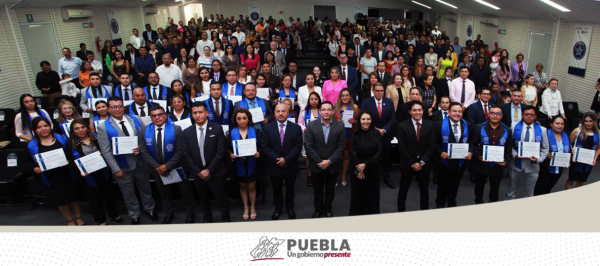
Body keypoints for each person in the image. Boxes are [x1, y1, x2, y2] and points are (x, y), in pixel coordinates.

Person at [96, 96, 157, 224]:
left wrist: (142, 147)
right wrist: (115, 169)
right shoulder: (103, 127)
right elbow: (106, 151)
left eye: (119, 106)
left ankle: (150, 209)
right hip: (121, 166)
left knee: (145, 188)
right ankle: (134, 214)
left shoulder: (135, 119)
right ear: (108, 109)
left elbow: (146, 137)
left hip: (140, 162)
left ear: (123, 107)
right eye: (113, 107)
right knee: (128, 193)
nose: (117, 109)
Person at [139, 106, 195, 224]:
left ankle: (190, 214)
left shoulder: (176, 129)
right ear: (151, 118)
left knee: (185, 192)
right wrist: (158, 167)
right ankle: (169, 214)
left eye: (160, 114)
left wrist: (167, 166)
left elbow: (181, 150)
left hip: (177, 167)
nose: (157, 117)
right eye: (154, 115)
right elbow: (144, 151)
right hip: (157, 169)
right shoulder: (144, 131)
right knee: (164, 194)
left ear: (165, 115)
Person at [27, 117, 83, 226]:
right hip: (50, 177)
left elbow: (72, 154)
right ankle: (70, 220)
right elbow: (27, 162)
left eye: (45, 126)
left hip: (67, 174)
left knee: (73, 197)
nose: (43, 129)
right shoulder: (31, 145)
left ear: (50, 126)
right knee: (60, 200)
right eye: (39, 127)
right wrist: (34, 168)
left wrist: (69, 160)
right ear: (34, 129)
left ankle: (78, 217)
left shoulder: (62, 138)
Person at [181, 101, 231, 223]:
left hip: (216, 171)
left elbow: (221, 152)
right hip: (198, 173)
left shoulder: (217, 128)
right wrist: (199, 171)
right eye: (195, 113)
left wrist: (209, 170)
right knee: (203, 198)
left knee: (221, 198)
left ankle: (225, 218)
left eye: (200, 112)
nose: (198, 115)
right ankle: (207, 218)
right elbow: (186, 154)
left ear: (206, 113)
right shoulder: (187, 132)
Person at [68, 119, 122, 225]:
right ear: (73, 131)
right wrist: (80, 171)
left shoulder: (96, 137)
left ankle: (114, 214)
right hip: (88, 175)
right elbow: (71, 161)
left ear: (87, 127)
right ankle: (101, 220)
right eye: (77, 128)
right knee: (94, 198)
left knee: (109, 194)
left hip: (103, 170)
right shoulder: (71, 143)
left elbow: (107, 149)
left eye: (82, 127)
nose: (81, 130)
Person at [261, 103, 303, 220]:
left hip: (291, 164)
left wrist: (286, 159)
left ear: (288, 113)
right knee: (276, 189)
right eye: (278, 111)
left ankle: (290, 208)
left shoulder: (296, 128)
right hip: (274, 165)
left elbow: (298, 146)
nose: (280, 114)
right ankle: (278, 209)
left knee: (290, 189)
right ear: (274, 113)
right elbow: (265, 146)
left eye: (283, 111)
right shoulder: (267, 128)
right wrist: (278, 159)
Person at [304, 101, 346, 218]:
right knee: (317, 190)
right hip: (316, 165)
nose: (326, 112)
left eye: (329, 109)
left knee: (330, 189)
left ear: (333, 111)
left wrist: (329, 161)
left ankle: (327, 209)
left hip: (332, 165)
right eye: (324, 109)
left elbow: (341, 146)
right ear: (320, 111)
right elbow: (308, 146)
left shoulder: (340, 125)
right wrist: (319, 161)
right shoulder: (312, 125)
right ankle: (318, 210)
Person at [396, 101, 435, 212]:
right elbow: (402, 147)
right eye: (414, 110)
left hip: (424, 165)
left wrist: (421, 163)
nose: (417, 112)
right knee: (403, 191)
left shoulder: (430, 125)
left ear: (423, 111)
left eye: (419, 110)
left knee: (424, 192)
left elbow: (431, 147)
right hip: (408, 164)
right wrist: (414, 163)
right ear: (410, 112)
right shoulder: (402, 126)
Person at [506, 105, 549, 200]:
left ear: (535, 116)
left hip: (533, 166)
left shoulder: (542, 130)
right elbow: (509, 145)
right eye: (526, 114)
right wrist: (515, 154)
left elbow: (545, 148)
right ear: (522, 115)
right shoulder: (514, 126)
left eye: (531, 115)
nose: (529, 116)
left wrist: (539, 159)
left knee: (529, 192)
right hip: (516, 164)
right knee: (511, 190)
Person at [227, 109, 262, 220]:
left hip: (252, 162)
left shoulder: (256, 131)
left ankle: (252, 208)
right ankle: (245, 207)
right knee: (242, 186)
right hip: (238, 163)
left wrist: (258, 152)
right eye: (239, 119)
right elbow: (227, 148)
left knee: (251, 187)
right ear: (235, 120)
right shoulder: (231, 132)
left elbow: (261, 146)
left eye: (244, 118)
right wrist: (231, 154)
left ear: (248, 119)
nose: (242, 121)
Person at [473, 106, 513, 204]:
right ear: (488, 114)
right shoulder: (479, 127)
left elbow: (508, 148)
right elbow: (473, 145)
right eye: (492, 113)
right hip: (482, 164)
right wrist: (479, 157)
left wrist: (506, 162)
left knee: (495, 190)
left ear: (501, 116)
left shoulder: (507, 130)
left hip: (497, 166)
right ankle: (478, 204)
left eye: (498, 113)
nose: (495, 115)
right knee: (479, 188)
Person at [361, 83, 396, 189]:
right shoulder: (366, 102)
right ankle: (369, 178)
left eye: (381, 90)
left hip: (385, 135)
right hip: (370, 134)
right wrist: (374, 129)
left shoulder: (389, 102)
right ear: (373, 90)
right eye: (377, 90)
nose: (379, 92)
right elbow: (363, 117)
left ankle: (386, 177)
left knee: (385, 157)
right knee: (370, 157)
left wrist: (384, 130)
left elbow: (392, 118)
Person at [348, 110, 382, 215]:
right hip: (356, 167)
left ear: (371, 120)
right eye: (363, 119)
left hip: (373, 167)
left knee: (372, 194)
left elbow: (379, 152)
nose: (365, 121)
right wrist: (360, 168)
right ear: (359, 121)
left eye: (368, 119)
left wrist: (365, 164)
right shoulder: (354, 133)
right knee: (357, 194)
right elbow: (353, 152)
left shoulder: (377, 133)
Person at [534, 116, 570, 196]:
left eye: (562, 124)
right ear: (551, 124)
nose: (559, 126)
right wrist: (545, 154)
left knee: (549, 188)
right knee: (540, 189)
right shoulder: (545, 134)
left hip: (559, 168)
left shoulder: (566, 135)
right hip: (545, 167)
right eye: (557, 123)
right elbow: (537, 148)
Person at [567, 112, 600, 189]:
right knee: (571, 179)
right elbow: (569, 143)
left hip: (588, 161)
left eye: (590, 121)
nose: (588, 123)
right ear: (583, 122)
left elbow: (598, 148)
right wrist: (572, 152)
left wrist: (595, 158)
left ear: (594, 121)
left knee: (581, 181)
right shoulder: (577, 131)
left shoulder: (598, 133)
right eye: (586, 121)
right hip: (576, 160)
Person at [334, 88, 359, 186]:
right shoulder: (336, 107)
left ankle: (343, 175)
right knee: (337, 157)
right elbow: (331, 122)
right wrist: (336, 122)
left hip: (349, 134)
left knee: (346, 156)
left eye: (347, 95)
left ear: (350, 96)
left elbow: (360, 122)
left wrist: (354, 122)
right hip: (337, 136)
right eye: (343, 95)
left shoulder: (355, 107)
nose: (345, 97)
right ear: (340, 97)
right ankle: (335, 177)